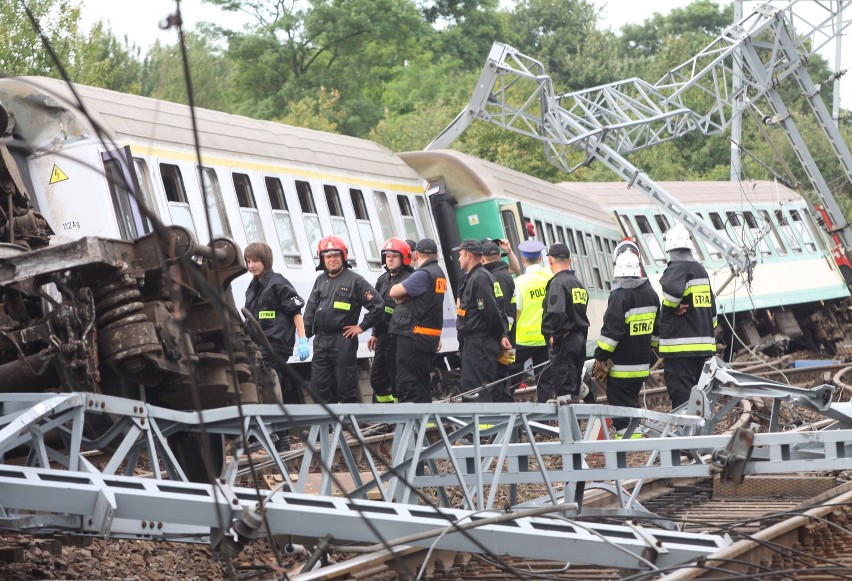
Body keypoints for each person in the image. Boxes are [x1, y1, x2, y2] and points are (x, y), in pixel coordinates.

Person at [243, 241, 310, 452]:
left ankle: (272, 435)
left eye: (255, 260)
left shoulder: (278, 283)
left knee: (263, 382)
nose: (251, 265)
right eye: (248, 261)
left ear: (265, 260)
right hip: (257, 343)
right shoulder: (253, 287)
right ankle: (278, 437)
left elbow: (296, 312)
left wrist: (302, 339)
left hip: (276, 344)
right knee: (264, 385)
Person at [303, 235, 384, 404]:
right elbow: (310, 310)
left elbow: (378, 305)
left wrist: (361, 327)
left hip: (343, 340)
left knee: (346, 389)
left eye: (335, 256)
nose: (332, 260)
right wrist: (303, 338)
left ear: (343, 257)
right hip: (321, 341)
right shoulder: (320, 280)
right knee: (319, 389)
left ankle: (351, 428)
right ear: (322, 259)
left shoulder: (355, 281)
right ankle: (328, 429)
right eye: (328, 256)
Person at [593, 251, 660, 437]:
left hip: (621, 367)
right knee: (632, 402)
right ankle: (635, 437)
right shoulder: (651, 294)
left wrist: (600, 356)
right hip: (641, 366)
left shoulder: (620, 297)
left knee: (620, 407)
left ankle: (627, 440)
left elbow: (611, 332)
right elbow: (656, 333)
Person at [658, 223, 718, 410]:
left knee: (682, 397)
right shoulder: (701, 270)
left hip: (680, 350)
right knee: (700, 397)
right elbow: (713, 315)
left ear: (670, 246)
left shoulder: (677, 267)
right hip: (704, 349)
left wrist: (670, 308)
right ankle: (699, 434)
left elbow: (671, 295)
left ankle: (686, 434)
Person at [388, 238, 447, 402]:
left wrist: (402, 295)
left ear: (415, 255)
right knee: (421, 380)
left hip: (414, 336)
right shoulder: (438, 273)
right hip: (428, 336)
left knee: (408, 381)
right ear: (436, 254)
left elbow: (394, 291)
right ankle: (424, 420)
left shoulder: (423, 274)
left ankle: (414, 422)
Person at [453, 239, 512, 401]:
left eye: (460, 255)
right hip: (492, 340)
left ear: (469, 255)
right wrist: (503, 335)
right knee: (496, 385)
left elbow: (490, 311)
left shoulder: (478, 278)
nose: (458, 259)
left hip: (480, 343)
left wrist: (500, 335)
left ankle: (485, 426)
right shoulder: (489, 276)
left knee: (476, 389)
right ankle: (508, 424)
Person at [539, 243, 589, 403]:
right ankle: (575, 425)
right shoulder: (578, 283)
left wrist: (555, 336)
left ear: (551, 261)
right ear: (569, 261)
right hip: (578, 340)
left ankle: (568, 426)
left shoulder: (557, 284)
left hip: (564, 343)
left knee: (564, 392)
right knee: (574, 389)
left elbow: (556, 313)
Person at [367, 238, 415, 403]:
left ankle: (400, 416)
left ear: (404, 258)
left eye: (394, 255)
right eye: (387, 256)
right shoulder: (382, 279)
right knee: (378, 378)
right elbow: (377, 308)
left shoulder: (411, 278)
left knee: (398, 378)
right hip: (383, 336)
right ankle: (385, 416)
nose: (390, 259)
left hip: (400, 336)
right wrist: (374, 333)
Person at [510, 239, 552, 390]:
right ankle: (546, 408)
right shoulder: (550, 277)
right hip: (545, 338)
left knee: (510, 374)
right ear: (541, 258)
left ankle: (506, 406)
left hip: (523, 340)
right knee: (545, 380)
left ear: (523, 259)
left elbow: (517, 311)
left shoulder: (519, 282)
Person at [480, 238, 516, 401]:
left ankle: (510, 418)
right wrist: (508, 250)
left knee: (500, 378)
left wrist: (502, 335)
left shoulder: (495, 277)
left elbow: (499, 310)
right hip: (510, 337)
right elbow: (515, 268)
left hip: (503, 338)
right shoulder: (504, 273)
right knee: (505, 375)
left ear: (482, 257)